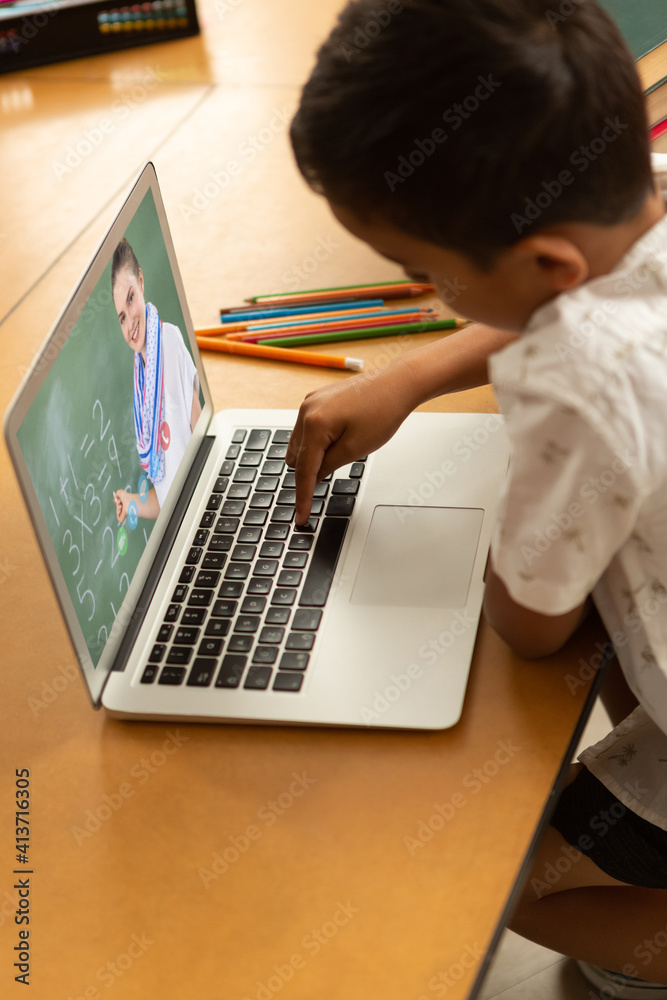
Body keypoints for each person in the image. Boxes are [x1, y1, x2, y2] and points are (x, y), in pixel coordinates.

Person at [284, 0, 667, 994]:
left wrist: (505, 543)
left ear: (543, 263)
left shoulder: (574, 386)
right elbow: (590, 290)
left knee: (504, 875)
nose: (432, 293)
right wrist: (411, 378)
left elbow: (533, 624)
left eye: (428, 275)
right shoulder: (645, 202)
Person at [110, 237, 201, 524]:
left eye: (131, 298)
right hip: (182, 523)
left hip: (199, 510)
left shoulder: (169, 342)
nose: (130, 323)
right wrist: (132, 502)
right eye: (121, 317)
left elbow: (201, 432)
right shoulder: (141, 385)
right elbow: (166, 497)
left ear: (141, 281)